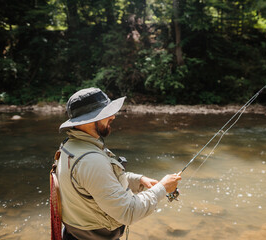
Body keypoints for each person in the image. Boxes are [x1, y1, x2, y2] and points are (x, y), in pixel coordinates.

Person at [56, 87, 181, 240]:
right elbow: (128, 212)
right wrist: (163, 188)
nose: (113, 116)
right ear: (90, 119)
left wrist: (138, 180)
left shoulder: (71, 146)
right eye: (106, 113)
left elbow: (98, 182)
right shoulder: (91, 160)